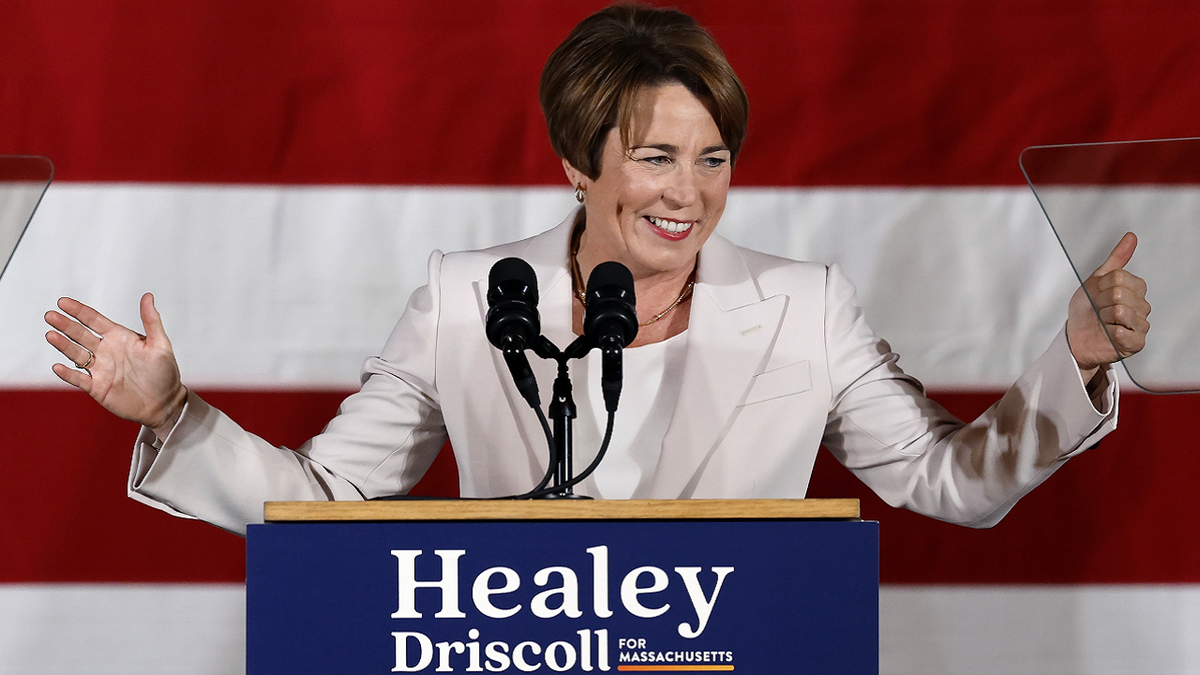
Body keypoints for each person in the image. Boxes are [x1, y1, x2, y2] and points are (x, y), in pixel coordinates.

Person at [44, 5, 1149, 536]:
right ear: (579, 163)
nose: (691, 192)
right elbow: (329, 500)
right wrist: (177, 412)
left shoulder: (807, 308)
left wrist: (1078, 359)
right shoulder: (471, 299)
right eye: (657, 157)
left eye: (715, 159)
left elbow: (950, 483)